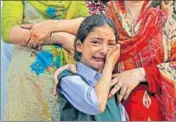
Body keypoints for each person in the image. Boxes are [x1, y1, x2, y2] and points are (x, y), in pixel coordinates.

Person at [51, 0, 176, 121]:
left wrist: (142, 74)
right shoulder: (104, 16)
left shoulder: (167, 20)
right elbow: (87, 43)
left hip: (156, 111)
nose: (105, 49)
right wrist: (74, 67)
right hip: (109, 106)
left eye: (111, 44)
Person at [1, 1, 90, 121]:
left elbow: (86, 25)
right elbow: (9, 32)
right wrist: (59, 37)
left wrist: (52, 25)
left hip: (66, 76)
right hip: (30, 79)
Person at [58, 14, 125, 121]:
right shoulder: (69, 78)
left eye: (110, 44)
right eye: (95, 42)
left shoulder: (112, 84)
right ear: (79, 46)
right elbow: (96, 104)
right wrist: (109, 65)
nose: (104, 50)